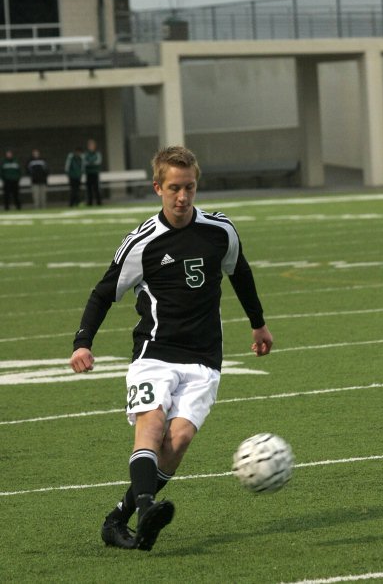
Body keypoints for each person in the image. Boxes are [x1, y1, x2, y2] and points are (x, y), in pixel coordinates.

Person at [69, 145, 273, 552]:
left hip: (204, 358)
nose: (183, 197)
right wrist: (82, 343)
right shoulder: (142, 243)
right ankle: (146, 509)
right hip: (154, 354)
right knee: (153, 426)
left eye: (190, 188)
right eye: (175, 188)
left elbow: (241, 273)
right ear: (157, 187)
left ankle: (117, 521)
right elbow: (103, 293)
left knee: (177, 442)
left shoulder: (220, 231)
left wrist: (258, 325)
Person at [84, 139, 102, 206]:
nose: (91, 147)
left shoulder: (97, 153)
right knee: (89, 189)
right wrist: (91, 163)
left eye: (92, 145)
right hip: (88, 173)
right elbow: (85, 163)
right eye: (90, 145)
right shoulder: (86, 154)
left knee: (96, 188)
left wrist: (91, 163)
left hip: (95, 173)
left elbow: (98, 162)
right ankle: (89, 203)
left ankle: (99, 203)